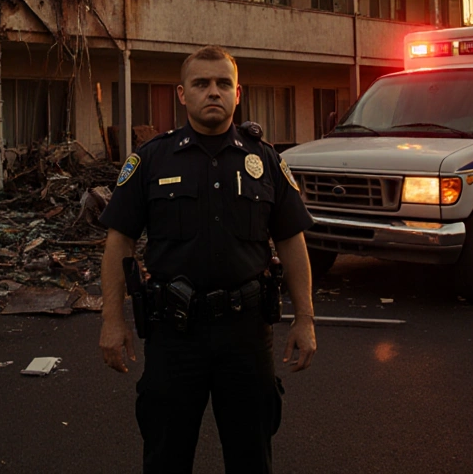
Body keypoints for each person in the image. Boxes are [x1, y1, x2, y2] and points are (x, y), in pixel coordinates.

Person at [98, 45, 317, 474]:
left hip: (246, 334)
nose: (213, 92)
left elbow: (292, 241)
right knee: (165, 456)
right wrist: (112, 320)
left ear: (238, 92)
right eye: (201, 83)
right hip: (174, 336)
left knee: (252, 457)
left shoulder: (265, 160)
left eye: (222, 83)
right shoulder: (151, 159)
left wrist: (305, 318)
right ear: (182, 94)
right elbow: (119, 241)